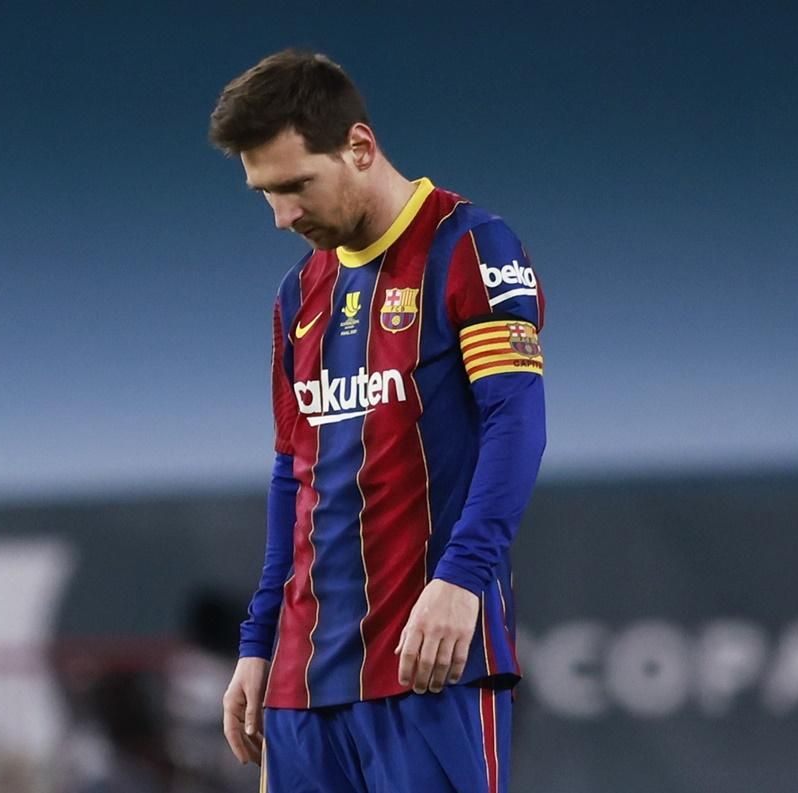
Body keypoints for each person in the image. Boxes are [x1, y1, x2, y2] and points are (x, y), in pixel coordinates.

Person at [209, 50, 546, 793]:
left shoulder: (470, 247)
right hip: (301, 686)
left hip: (429, 664)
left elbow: (515, 425)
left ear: (360, 147)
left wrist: (462, 579)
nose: (283, 216)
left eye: (296, 186)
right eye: (264, 193)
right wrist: (259, 639)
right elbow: (294, 472)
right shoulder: (299, 294)